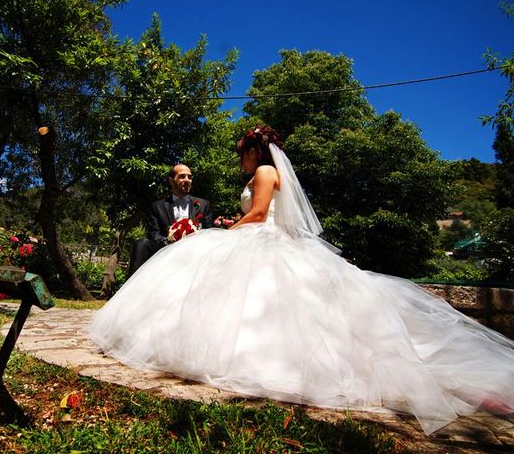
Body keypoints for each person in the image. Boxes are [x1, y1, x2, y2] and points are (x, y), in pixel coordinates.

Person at [89, 126, 514, 435]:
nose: (241, 160)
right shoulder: (272, 175)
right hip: (273, 238)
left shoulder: (263, 174)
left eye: (242, 153)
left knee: (243, 301)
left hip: (262, 238)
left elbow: (257, 216)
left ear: (255, 150)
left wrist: (220, 232)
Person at [127, 164, 214, 275]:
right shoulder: (157, 206)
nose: (187, 180)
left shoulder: (203, 205)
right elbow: (153, 233)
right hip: (166, 250)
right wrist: (169, 242)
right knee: (141, 244)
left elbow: (209, 231)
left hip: (195, 251)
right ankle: (133, 287)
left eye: (190, 177)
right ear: (171, 181)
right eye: (182, 176)